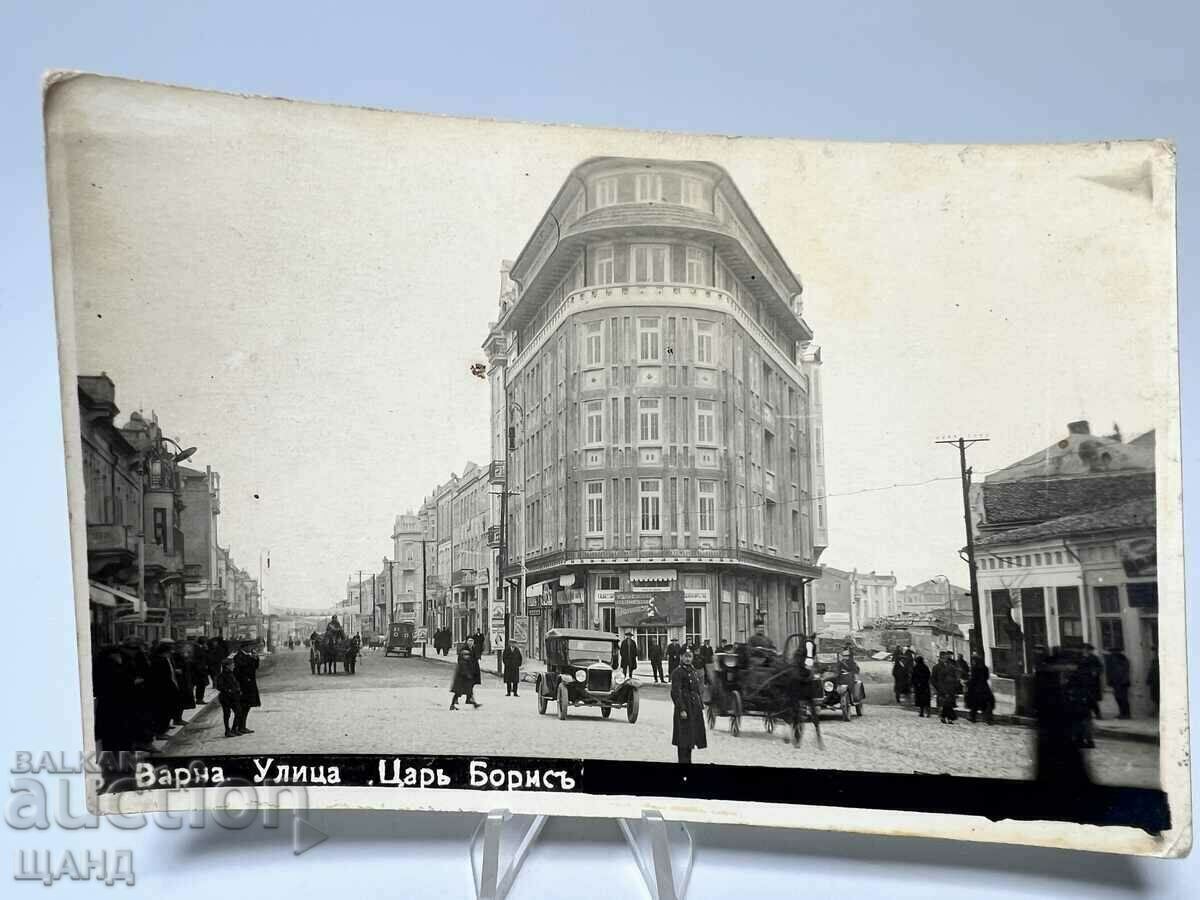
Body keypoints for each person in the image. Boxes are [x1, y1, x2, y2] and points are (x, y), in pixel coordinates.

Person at [670, 646, 707, 764]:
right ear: (681, 657)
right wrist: (682, 709)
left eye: (690, 656)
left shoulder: (693, 670)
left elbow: (696, 690)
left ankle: (688, 761)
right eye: (685, 656)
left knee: (691, 738)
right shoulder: (677, 672)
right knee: (683, 738)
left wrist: (700, 704)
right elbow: (676, 692)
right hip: (684, 709)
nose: (687, 659)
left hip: (694, 709)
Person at [233, 643, 260, 734]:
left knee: (247, 706)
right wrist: (246, 680)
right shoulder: (238, 657)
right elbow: (240, 670)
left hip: (250, 684)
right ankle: (239, 727)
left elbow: (255, 667)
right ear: (244, 647)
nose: (251, 648)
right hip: (243, 685)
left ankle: (242, 726)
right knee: (243, 706)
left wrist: (256, 658)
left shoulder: (248, 656)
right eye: (249, 647)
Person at [450, 638, 482, 710]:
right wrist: (467, 673)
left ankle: (473, 703)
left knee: (469, 689)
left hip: (469, 673)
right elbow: (462, 664)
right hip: (462, 675)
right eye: (469, 641)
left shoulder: (473, 649)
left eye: (472, 641)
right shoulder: (464, 652)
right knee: (458, 691)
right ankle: (452, 705)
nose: (471, 643)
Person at [215, 658, 243, 738]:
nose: (233, 665)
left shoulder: (231, 673)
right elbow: (219, 686)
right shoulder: (222, 675)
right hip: (226, 697)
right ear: (227, 666)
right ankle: (227, 731)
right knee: (227, 714)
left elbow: (235, 683)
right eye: (232, 664)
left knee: (238, 712)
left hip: (234, 697)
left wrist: (238, 689)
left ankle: (234, 729)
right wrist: (229, 690)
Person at [965, 654, 995, 724]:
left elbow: (973, 679)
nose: (972, 662)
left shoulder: (974, 668)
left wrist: (968, 684)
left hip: (976, 688)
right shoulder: (985, 668)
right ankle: (988, 719)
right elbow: (987, 677)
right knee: (986, 703)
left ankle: (972, 717)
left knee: (975, 704)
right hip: (984, 687)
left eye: (973, 660)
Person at [932, 651, 960, 723]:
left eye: (946, 657)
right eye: (944, 657)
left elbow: (955, 675)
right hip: (942, 688)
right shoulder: (936, 667)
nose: (945, 659)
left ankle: (944, 717)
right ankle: (950, 717)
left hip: (950, 688)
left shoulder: (950, 666)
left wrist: (955, 684)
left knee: (947, 704)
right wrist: (938, 687)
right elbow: (933, 679)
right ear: (940, 658)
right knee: (946, 704)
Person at [1104, 648, 1132, 719]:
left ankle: (1126, 714)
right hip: (1116, 682)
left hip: (1122, 682)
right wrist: (1110, 681)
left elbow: (1125, 671)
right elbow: (1110, 672)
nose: (1112, 654)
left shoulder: (1123, 659)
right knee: (1118, 698)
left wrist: (1124, 680)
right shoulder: (1111, 660)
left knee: (1123, 698)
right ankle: (1122, 713)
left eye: (1113, 652)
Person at [1079, 643, 1104, 720]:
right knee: (1084, 699)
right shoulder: (1080, 658)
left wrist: (1096, 672)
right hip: (1082, 681)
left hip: (1092, 681)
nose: (1086, 651)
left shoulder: (1094, 658)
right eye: (1085, 649)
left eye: (1088, 650)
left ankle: (1098, 714)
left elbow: (1100, 668)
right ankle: (1087, 715)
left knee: (1092, 699)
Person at [192, 636, 210, 704]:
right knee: (201, 685)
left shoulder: (200, 648)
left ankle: (199, 698)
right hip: (199, 670)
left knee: (201, 685)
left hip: (200, 669)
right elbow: (200, 659)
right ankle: (199, 699)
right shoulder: (197, 649)